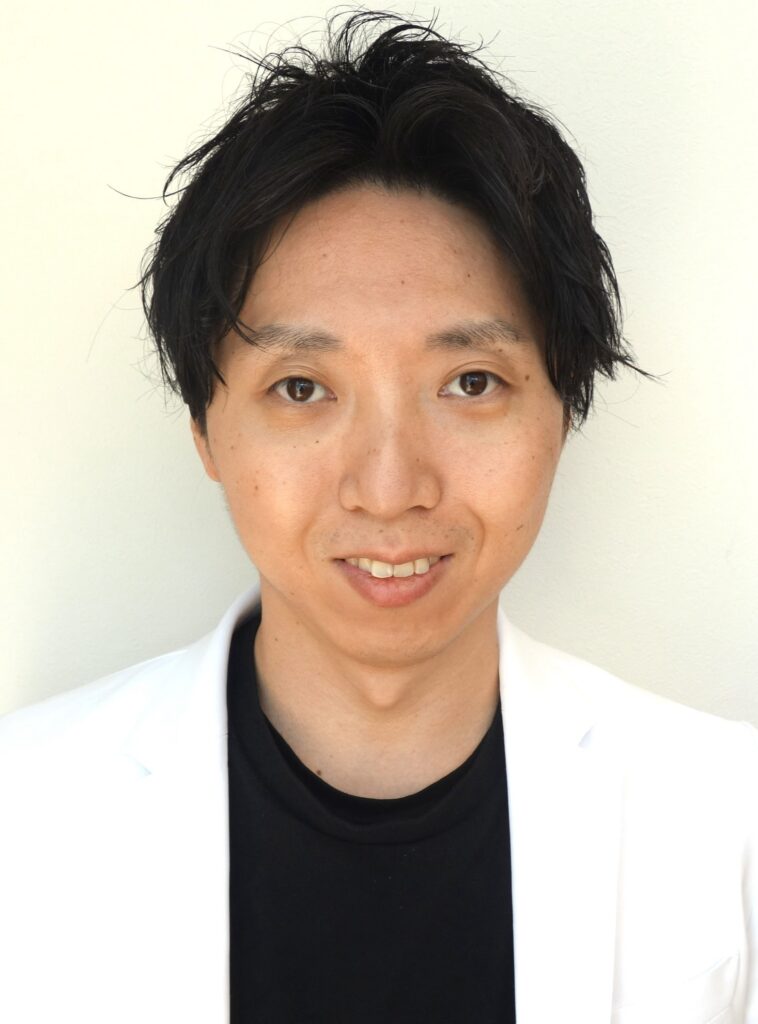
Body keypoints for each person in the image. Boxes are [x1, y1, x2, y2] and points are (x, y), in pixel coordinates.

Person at [1, 10, 755, 1023]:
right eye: (302, 388)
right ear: (205, 429)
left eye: (471, 382)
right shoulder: (22, 818)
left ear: (562, 411)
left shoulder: (726, 824)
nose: (390, 488)